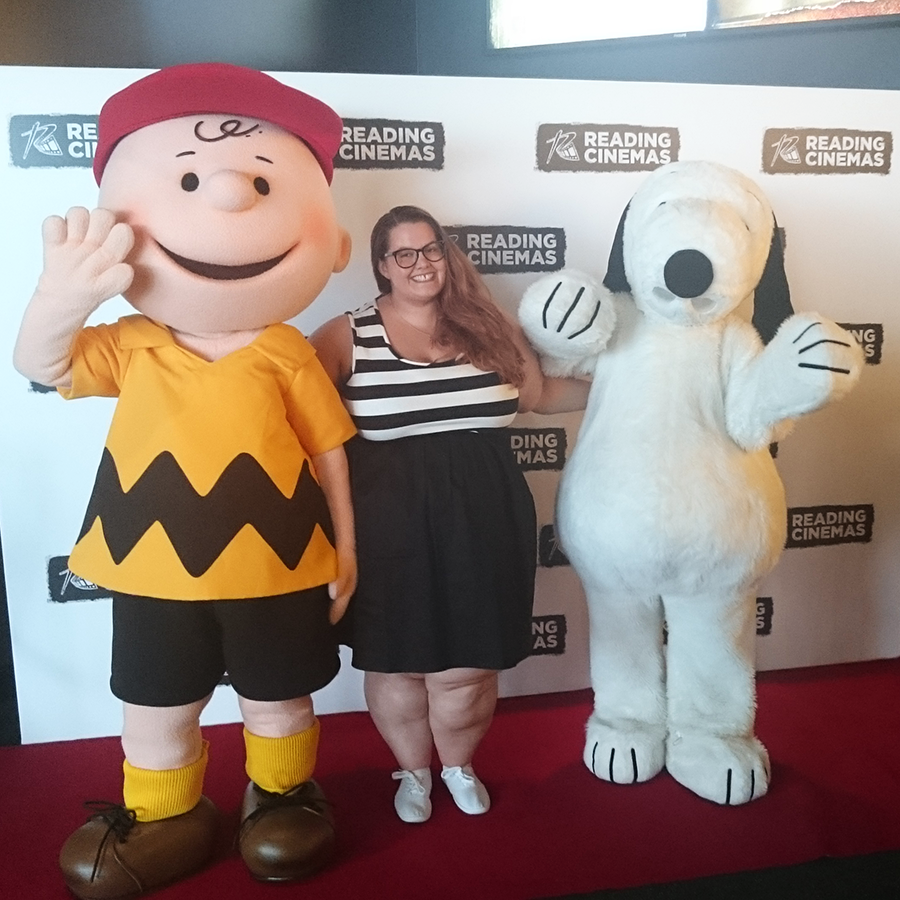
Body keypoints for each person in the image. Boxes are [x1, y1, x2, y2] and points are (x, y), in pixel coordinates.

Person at [13, 63, 356, 897]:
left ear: (333, 244)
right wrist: (59, 299)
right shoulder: (131, 340)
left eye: (259, 177)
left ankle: (281, 796)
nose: (231, 195)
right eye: (192, 178)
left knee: (281, 697)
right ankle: (167, 813)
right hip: (151, 565)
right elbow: (40, 362)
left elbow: (329, 452)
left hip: (279, 561)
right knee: (156, 702)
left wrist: (348, 551)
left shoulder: (285, 349)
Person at [311, 205, 588, 824]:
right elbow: (303, 425)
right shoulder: (344, 335)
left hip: (487, 524)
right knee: (398, 664)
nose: (420, 264)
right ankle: (412, 774)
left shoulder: (490, 326)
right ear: (382, 265)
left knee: (466, 672)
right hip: (385, 530)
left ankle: (459, 766)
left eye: (430, 249)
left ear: (447, 253)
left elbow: (541, 397)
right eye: (403, 254)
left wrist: (634, 384)